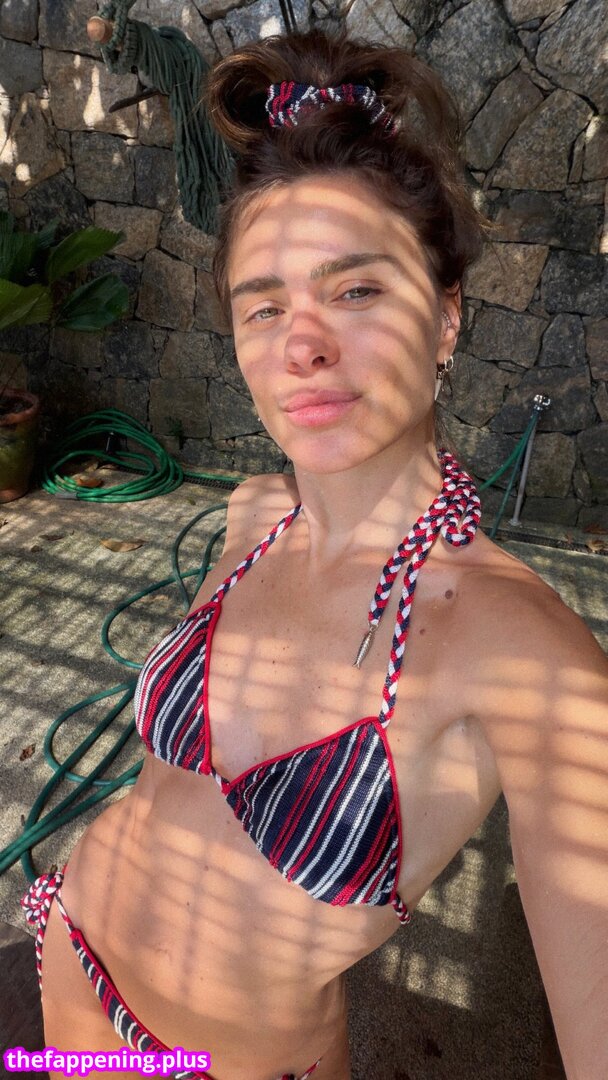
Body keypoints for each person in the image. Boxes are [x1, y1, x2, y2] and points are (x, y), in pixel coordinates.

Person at [23, 28, 607, 1080]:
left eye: (355, 291)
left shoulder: (526, 658)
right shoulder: (254, 519)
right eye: (265, 305)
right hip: (69, 959)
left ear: (446, 317)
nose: (302, 344)